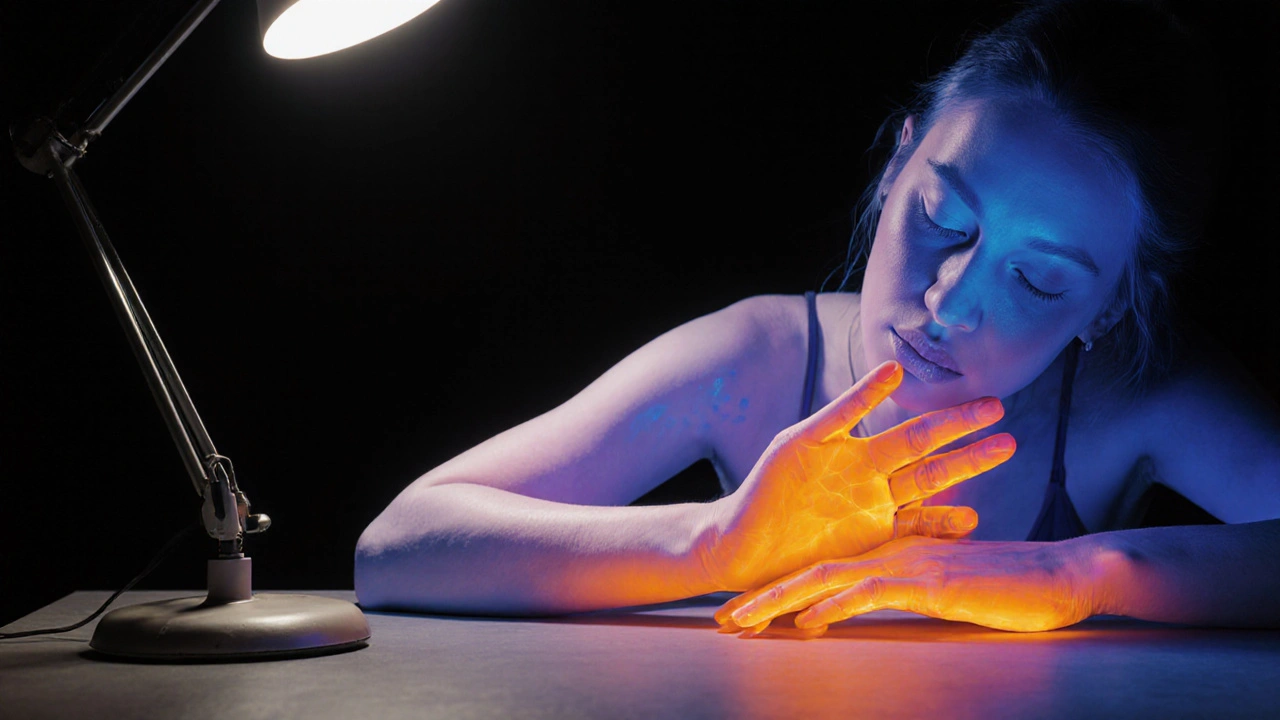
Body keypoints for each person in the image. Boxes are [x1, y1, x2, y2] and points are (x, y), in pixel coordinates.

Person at [354, 0, 1280, 635]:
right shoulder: (757, 356)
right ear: (896, 166)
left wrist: (1075, 575)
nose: (947, 302)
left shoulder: (1134, 396)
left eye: (1039, 283)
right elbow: (399, 549)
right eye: (942, 219)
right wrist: (714, 541)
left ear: (1110, 304)